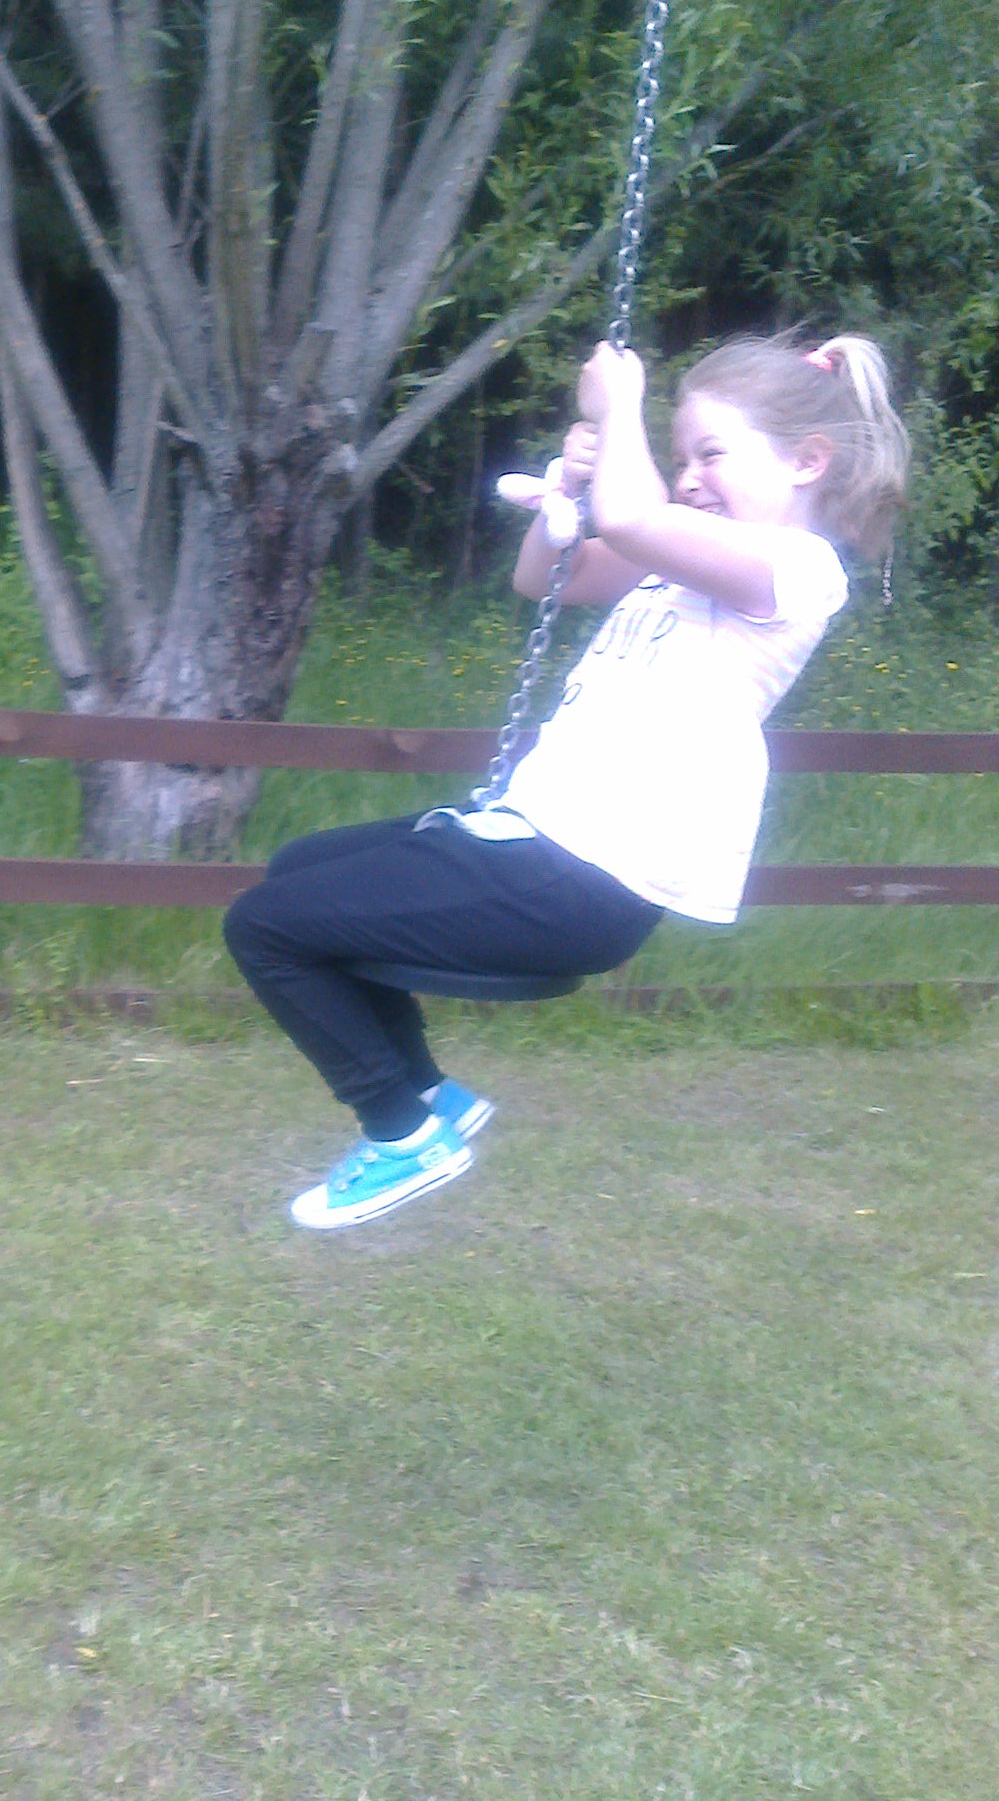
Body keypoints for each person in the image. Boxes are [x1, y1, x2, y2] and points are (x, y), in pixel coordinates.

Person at [223, 332, 910, 1230]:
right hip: (539, 839)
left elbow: (631, 521)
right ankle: (426, 1092)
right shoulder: (674, 550)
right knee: (300, 871)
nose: (690, 477)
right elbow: (547, 578)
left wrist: (617, 414)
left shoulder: (797, 567)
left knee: (264, 926)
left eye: (711, 454)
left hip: (589, 874)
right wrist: (572, 495)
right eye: (679, 459)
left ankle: (399, 1133)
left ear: (807, 462)